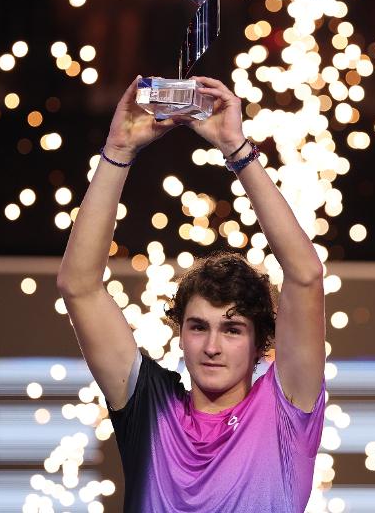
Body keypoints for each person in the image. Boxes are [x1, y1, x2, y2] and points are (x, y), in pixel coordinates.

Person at [57, 76, 326, 512]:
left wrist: (236, 149)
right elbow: (79, 285)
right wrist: (119, 152)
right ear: (180, 333)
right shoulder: (149, 407)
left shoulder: (286, 411)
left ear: (262, 343)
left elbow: (306, 275)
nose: (213, 347)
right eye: (199, 327)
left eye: (233, 329)